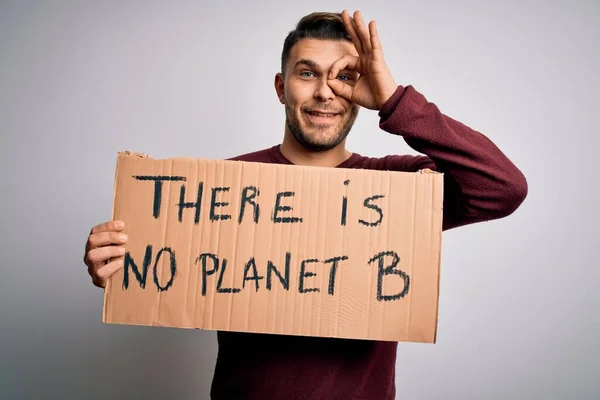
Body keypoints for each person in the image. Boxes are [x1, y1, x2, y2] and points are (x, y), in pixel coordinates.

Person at [83, 10, 528, 400]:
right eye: (308, 73)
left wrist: (394, 102)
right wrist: (121, 266)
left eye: (345, 77)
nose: (326, 92)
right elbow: (166, 271)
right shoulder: (227, 187)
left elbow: (503, 187)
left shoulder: (399, 186)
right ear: (282, 86)